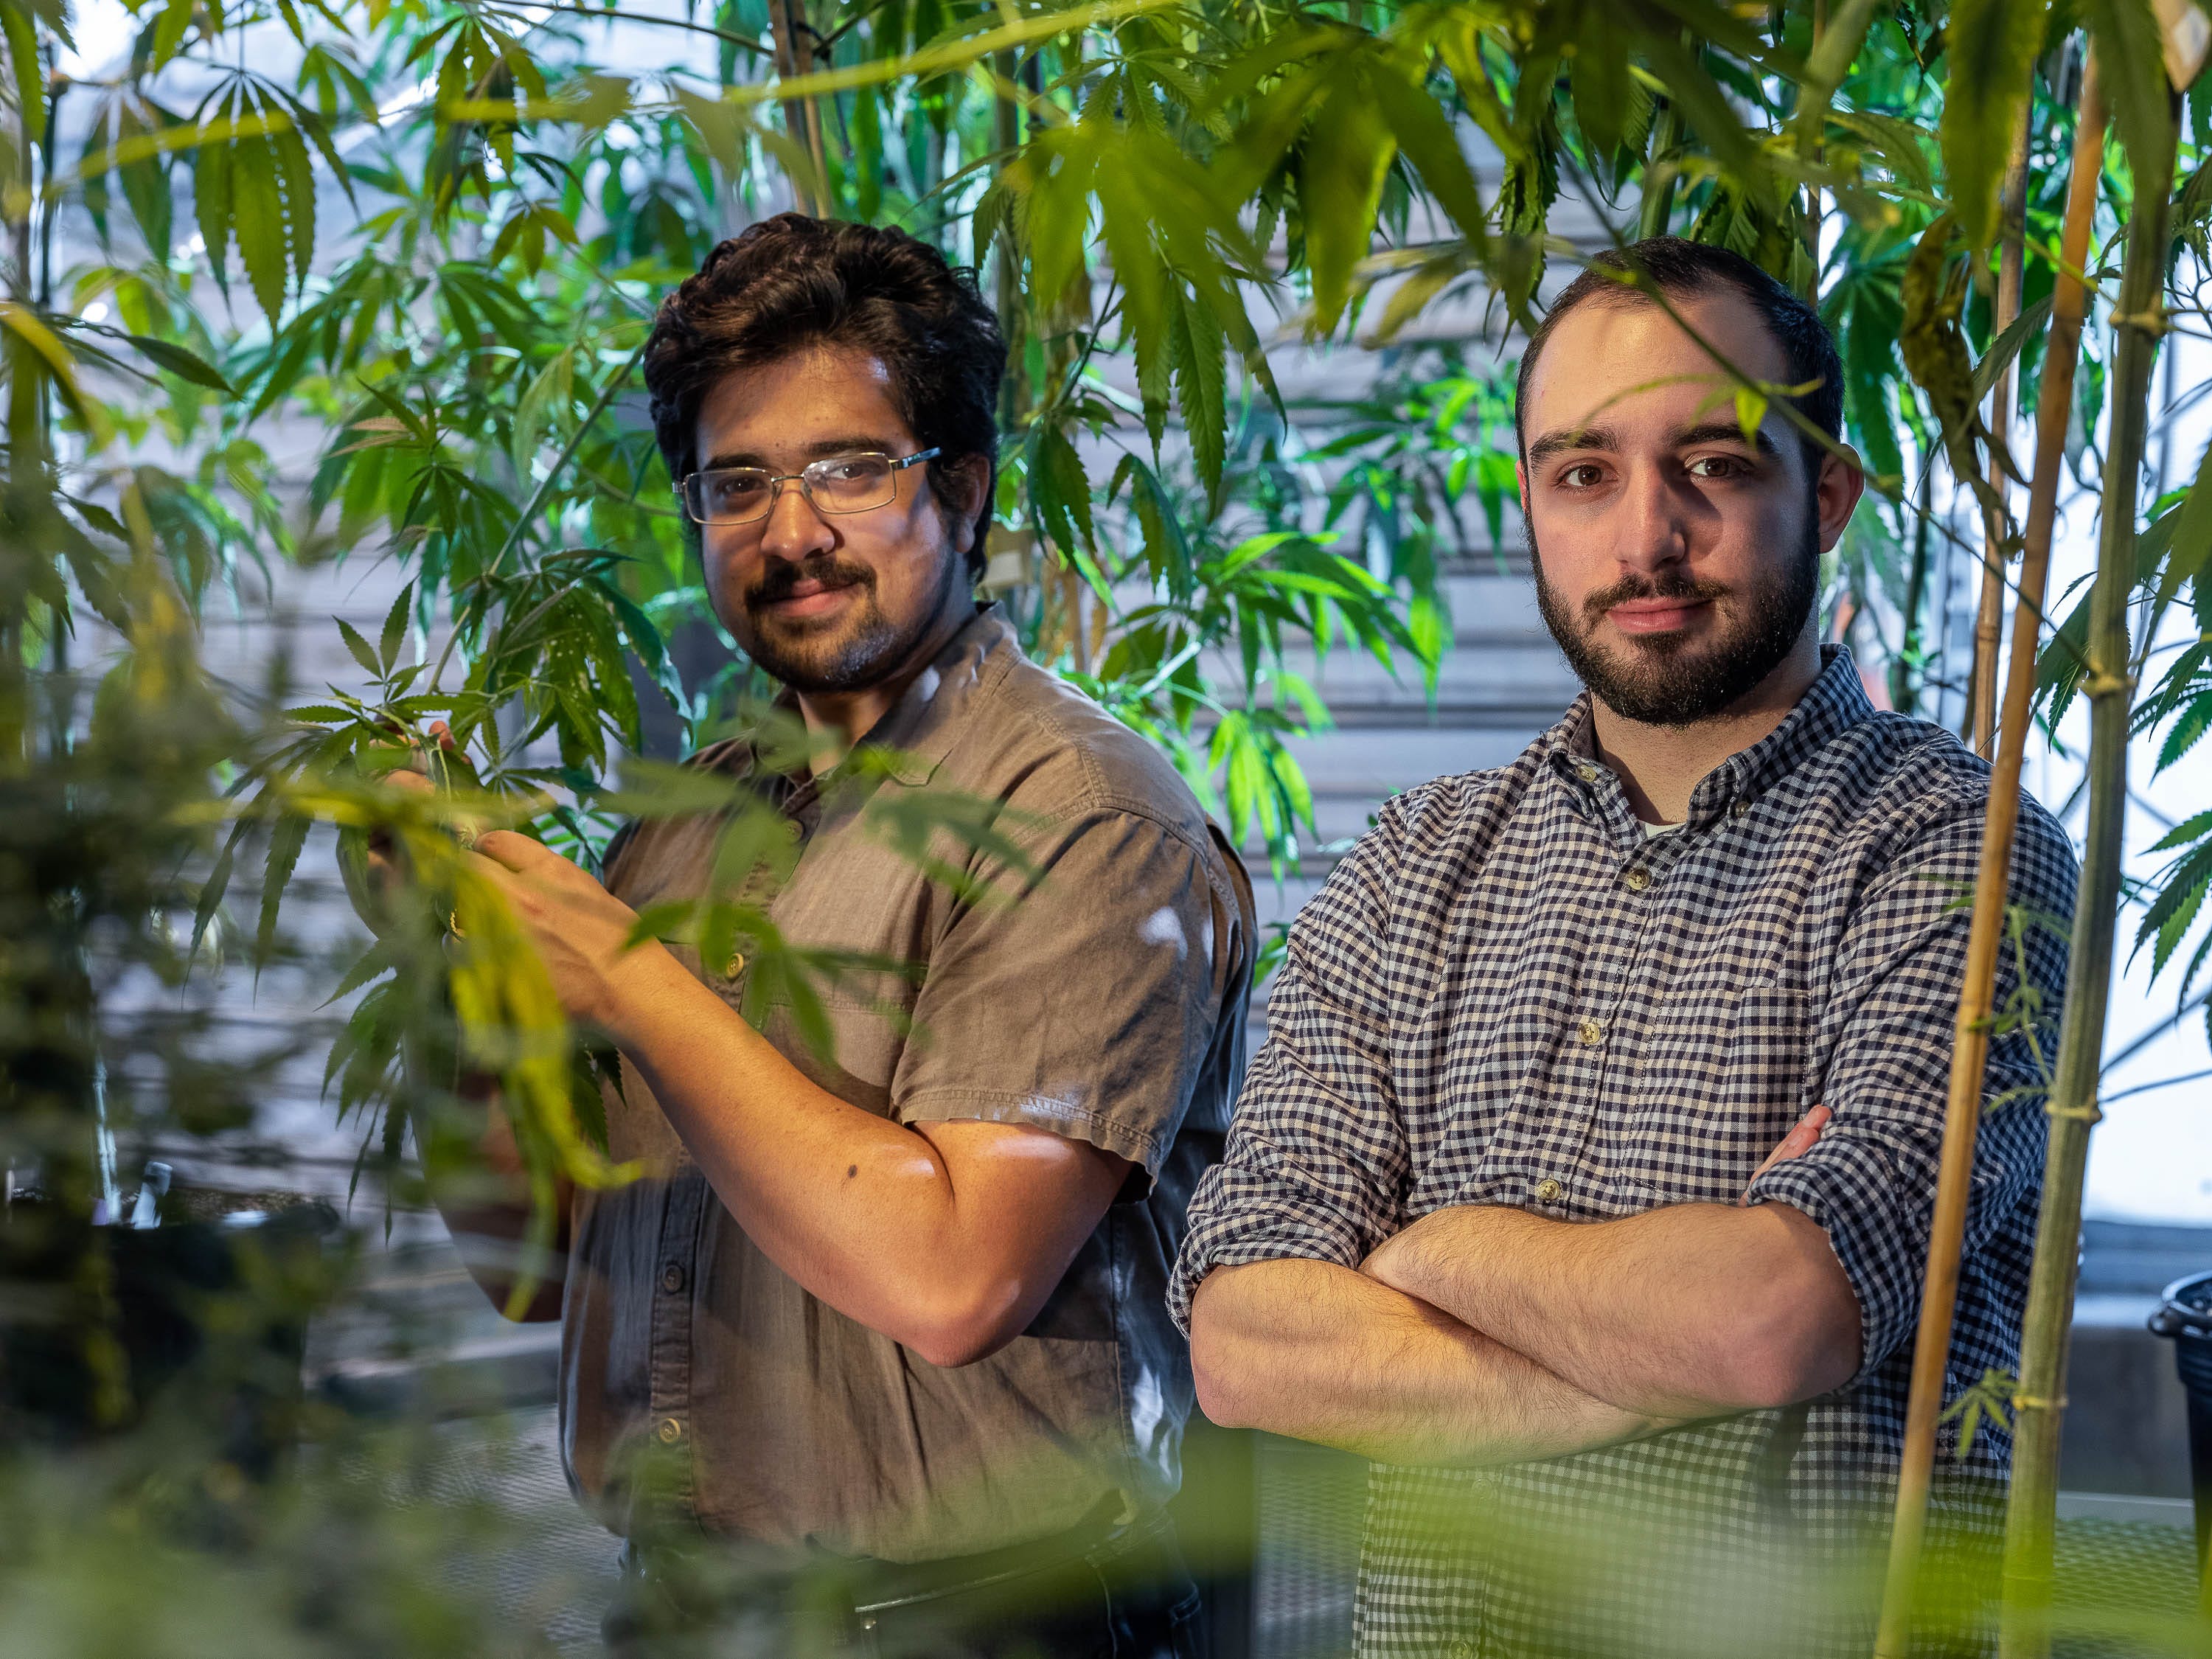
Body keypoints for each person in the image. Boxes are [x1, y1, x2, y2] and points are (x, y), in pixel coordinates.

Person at [1169, 237, 2077, 1658]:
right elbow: (1241, 1338)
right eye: (1584, 473)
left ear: (1827, 490)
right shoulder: (1419, 862)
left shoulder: (1958, 848)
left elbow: (1779, 1321)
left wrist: (1436, 1246)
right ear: (1532, 500)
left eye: (1712, 464)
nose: (1644, 537)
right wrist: (1682, 1329)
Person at [373, 215, 1252, 1658]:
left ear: (961, 489)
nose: (792, 533)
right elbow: (533, 1262)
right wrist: (456, 979)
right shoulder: (686, 823)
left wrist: (625, 970)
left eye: (850, 468)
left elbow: (956, 1278)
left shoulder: (1078, 809)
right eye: (738, 485)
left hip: (1000, 1617)